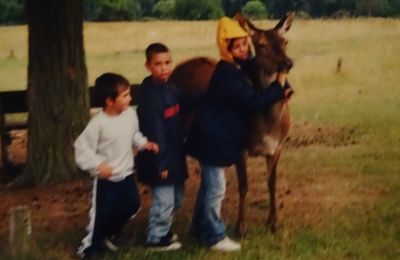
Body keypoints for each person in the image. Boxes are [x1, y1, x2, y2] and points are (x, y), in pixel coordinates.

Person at [186, 17, 293, 251]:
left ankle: (197, 227)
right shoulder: (226, 73)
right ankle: (213, 236)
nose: (244, 50)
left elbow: (265, 63)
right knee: (216, 189)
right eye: (238, 47)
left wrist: (285, 83)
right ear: (226, 50)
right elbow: (252, 100)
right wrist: (279, 87)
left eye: (245, 45)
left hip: (213, 135)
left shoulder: (241, 66)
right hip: (212, 137)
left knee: (208, 187)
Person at [75, 73, 159, 258]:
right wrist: (99, 164)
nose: (130, 98)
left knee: (132, 205)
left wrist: (144, 143)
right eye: (125, 96)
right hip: (106, 179)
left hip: (126, 173)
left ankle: (109, 233)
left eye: (129, 94)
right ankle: (89, 248)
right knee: (100, 214)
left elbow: (134, 134)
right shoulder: (98, 124)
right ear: (109, 101)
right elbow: (81, 148)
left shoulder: (129, 115)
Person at [135, 43, 188, 251]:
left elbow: (187, 100)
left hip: (174, 156)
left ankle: (165, 231)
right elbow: (156, 133)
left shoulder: (171, 89)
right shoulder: (152, 98)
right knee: (164, 200)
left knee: (177, 199)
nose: (164, 68)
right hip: (159, 159)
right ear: (148, 66)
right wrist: (161, 164)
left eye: (167, 63)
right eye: (158, 64)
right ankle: (156, 238)